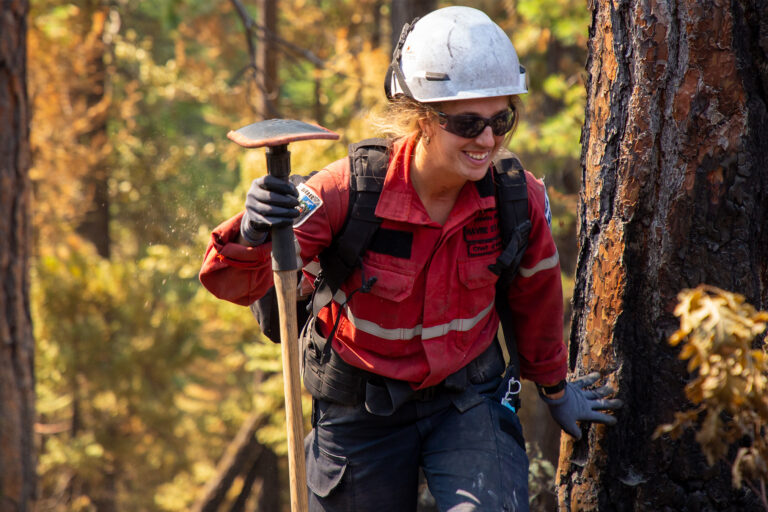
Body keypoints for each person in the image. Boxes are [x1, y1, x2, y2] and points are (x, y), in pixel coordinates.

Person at [200, 6, 621, 511]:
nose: (487, 140)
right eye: (467, 122)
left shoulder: (515, 199)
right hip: (358, 410)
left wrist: (556, 391)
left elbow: (537, 298)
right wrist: (250, 232)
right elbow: (231, 283)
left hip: (469, 400)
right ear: (421, 117)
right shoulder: (345, 193)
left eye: (501, 119)